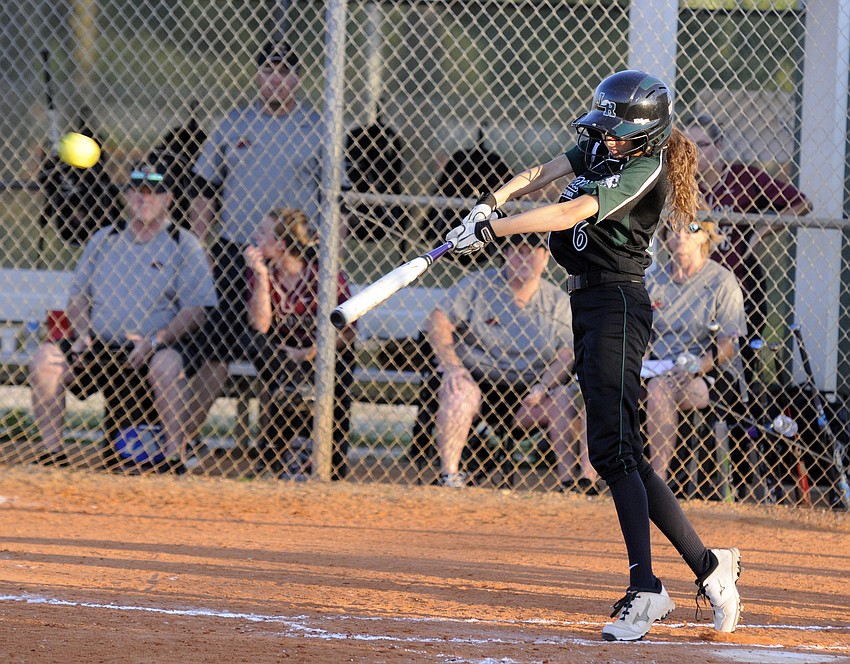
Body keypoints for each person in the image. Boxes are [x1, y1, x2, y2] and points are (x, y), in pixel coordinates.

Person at [444, 70, 741, 641]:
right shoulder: (607, 149)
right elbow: (548, 172)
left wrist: (495, 230)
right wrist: (491, 201)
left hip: (617, 306)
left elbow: (565, 212)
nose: (605, 140)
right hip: (589, 305)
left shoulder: (642, 168)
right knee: (619, 451)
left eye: (617, 132)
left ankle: (647, 589)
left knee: (613, 450)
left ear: (647, 136)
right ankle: (709, 567)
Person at [28, 159, 220, 472]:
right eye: (137, 191)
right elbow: (77, 297)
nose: (145, 198)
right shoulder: (104, 239)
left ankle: (174, 457)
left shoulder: (184, 245)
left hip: (152, 347)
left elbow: (196, 310)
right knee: (44, 359)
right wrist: (82, 334)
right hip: (97, 345)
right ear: (128, 195)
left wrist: (157, 340)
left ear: (169, 198)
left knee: (167, 364)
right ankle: (53, 454)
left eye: (154, 192)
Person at [188, 40, 344, 398]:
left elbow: (340, 201)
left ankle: (295, 432)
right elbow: (205, 189)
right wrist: (201, 249)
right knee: (217, 346)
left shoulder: (318, 127)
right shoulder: (233, 122)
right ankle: (183, 440)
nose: (276, 79)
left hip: (295, 255)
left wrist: (331, 253)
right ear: (257, 76)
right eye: (268, 70)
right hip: (236, 250)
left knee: (285, 342)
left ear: (298, 78)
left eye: (285, 71)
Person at [424, 232, 597, 491]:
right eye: (516, 251)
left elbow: (566, 354)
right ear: (505, 255)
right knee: (457, 391)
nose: (523, 258)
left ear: (546, 258)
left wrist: (544, 386)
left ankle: (568, 482)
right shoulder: (479, 285)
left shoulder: (558, 302)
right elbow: (437, 320)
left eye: (531, 252)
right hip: (479, 381)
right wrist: (453, 368)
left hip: (529, 393)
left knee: (561, 396)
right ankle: (450, 476)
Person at [242, 207, 356, 480]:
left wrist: (310, 351)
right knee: (263, 349)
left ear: (281, 245)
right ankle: (278, 457)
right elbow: (261, 325)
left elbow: (349, 331)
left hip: (321, 353)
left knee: (333, 365)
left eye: (262, 233)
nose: (255, 237)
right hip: (280, 356)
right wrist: (260, 277)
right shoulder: (262, 273)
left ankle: (324, 459)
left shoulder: (325, 276)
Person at [684, 114, 810, 356]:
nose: (695, 152)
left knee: (743, 357)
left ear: (718, 146)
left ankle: (748, 393)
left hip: (741, 280)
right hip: (695, 286)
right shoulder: (682, 184)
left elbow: (801, 203)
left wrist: (760, 233)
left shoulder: (743, 177)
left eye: (702, 145)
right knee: (696, 358)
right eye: (688, 146)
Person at [643, 220, 746, 482]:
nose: (680, 234)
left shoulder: (721, 280)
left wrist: (697, 367)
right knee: (614, 384)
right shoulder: (653, 280)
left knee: (658, 390)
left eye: (691, 228)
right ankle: (591, 477)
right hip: (659, 367)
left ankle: (658, 481)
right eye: (672, 228)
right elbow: (642, 335)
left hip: (708, 371)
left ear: (705, 237)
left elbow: (728, 345)